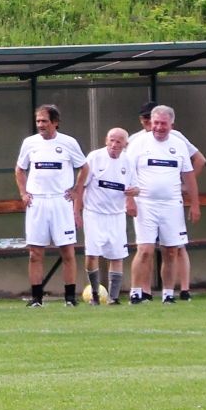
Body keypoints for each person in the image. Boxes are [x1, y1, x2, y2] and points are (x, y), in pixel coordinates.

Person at [125, 104, 203, 304]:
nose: (159, 127)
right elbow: (126, 172)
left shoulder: (178, 144)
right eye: (156, 123)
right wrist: (130, 199)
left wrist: (195, 204)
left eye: (163, 124)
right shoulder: (138, 143)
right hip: (145, 204)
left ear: (172, 124)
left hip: (172, 205)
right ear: (151, 123)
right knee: (145, 249)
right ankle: (136, 292)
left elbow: (189, 175)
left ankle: (168, 294)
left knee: (171, 250)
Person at [14, 104, 87, 307]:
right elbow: (19, 170)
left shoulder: (68, 143)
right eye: (38, 121)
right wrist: (23, 193)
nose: (40, 125)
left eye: (44, 121)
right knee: (35, 252)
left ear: (55, 122)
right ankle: (36, 298)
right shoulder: (29, 143)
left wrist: (76, 191)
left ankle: (70, 298)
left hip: (60, 201)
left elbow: (84, 167)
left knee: (67, 251)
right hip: (37, 201)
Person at [81, 128, 134, 304]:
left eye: (119, 141)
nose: (114, 145)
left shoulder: (128, 161)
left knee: (117, 255)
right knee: (92, 254)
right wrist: (76, 211)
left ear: (125, 144)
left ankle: (114, 297)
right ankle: (95, 294)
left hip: (117, 214)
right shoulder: (94, 158)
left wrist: (135, 192)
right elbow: (81, 185)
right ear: (106, 140)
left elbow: (136, 187)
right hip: (94, 213)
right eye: (111, 140)